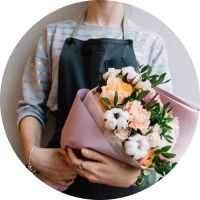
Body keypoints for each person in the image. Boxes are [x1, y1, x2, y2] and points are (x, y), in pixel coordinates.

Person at [17, 0, 173, 199]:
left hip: (125, 189)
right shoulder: (53, 35)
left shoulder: (151, 43)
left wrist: (134, 176)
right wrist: (33, 155)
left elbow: (163, 128)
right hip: (61, 175)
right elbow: (31, 105)